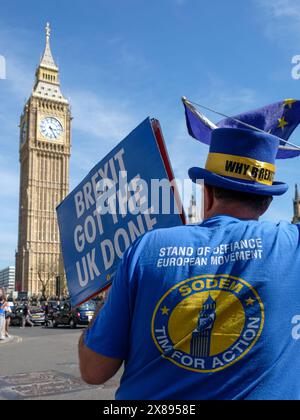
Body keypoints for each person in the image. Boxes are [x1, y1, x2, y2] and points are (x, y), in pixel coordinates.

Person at [79, 127, 300, 400]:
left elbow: (93, 370)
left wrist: (110, 298)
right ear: (266, 202)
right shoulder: (292, 246)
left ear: (207, 194)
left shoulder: (145, 249)